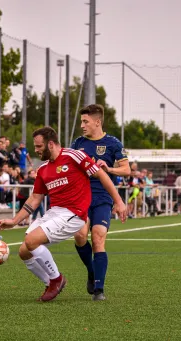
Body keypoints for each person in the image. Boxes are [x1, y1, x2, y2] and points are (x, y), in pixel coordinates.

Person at [0, 126, 127, 302]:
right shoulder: (43, 169)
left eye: (38, 146)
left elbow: (101, 175)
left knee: (31, 241)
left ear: (50, 144)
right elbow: (34, 199)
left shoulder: (74, 156)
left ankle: (57, 279)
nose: (36, 150)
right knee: (24, 252)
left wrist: (118, 201)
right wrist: (14, 221)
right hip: (55, 213)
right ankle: (51, 281)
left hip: (75, 213)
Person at [70, 104, 131, 300]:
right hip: (81, 197)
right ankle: (92, 270)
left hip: (103, 198)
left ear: (97, 122)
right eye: (81, 121)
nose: (82, 125)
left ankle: (99, 290)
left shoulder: (113, 143)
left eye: (85, 121)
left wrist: (109, 169)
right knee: (80, 236)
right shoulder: (77, 143)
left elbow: (126, 170)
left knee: (98, 238)